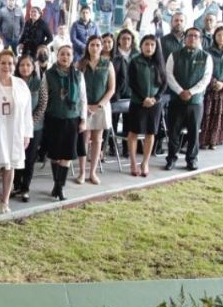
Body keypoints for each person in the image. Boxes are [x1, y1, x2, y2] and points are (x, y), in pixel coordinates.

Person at [0, 50, 33, 213]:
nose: (7, 66)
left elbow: (27, 112)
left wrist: (27, 133)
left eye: (10, 63)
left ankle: (5, 201)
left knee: (10, 166)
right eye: (3, 63)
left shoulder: (21, 85)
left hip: (15, 130)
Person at [165, 28, 213, 171]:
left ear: (200, 39)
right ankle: (171, 159)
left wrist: (191, 92)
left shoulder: (206, 57)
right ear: (185, 38)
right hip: (176, 100)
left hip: (195, 101)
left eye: (196, 36)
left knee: (193, 132)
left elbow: (206, 78)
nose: (193, 38)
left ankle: (191, 159)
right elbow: (169, 75)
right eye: (190, 36)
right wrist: (180, 91)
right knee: (173, 131)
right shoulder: (174, 55)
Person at [43, 46, 87, 201]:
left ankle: (59, 187)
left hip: (72, 119)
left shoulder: (78, 75)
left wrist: (83, 120)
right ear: (57, 55)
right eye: (62, 54)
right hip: (54, 118)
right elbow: (44, 98)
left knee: (67, 155)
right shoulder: (48, 74)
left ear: (72, 57)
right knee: (55, 155)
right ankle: (56, 184)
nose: (65, 57)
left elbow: (83, 99)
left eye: (68, 54)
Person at [125, 35, 167, 177]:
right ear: (141, 46)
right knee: (134, 132)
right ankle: (132, 162)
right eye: (146, 44)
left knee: (151, 133)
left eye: (152, 45)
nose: (149, 47)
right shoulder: (135, 61)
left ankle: (145, 162)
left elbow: (164, 83)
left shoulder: (159, 61)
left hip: (155, 104)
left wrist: (155, 98)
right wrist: (144, 99)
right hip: (138, 102)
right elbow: (132, 82)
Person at [77, 36, 116, 184]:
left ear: (102, 47)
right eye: (92, 45)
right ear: (87, 46)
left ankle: (92, 172)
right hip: (84, 107)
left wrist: (99, 105)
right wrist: (85, 106)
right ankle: (81, 172)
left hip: (101, 106)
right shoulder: (81, 64)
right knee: (84, 140)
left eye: (98, 45)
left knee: (97, 140)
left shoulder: (108, 64)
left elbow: (111, 89)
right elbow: (76, 87)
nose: (95, 47)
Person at [15, 55, 49, 202]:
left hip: (35, 127)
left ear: (33, 67)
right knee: (16, 157)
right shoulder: (13, 82)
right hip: (15, 127)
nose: (25, 68)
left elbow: (42, 104)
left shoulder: (39, 82)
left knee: (29, 159)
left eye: (28, 65)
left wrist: (29, 124)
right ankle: (15, 185)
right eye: (22, 65)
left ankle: (25, 188)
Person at [200, 27, 223, 149]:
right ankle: (204, 140)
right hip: (211, 87)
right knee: (208, 114)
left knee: (220, 115)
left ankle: (215, 141)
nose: (222, 38)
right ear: (215, 36)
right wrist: (214, 81)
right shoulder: (208, 51)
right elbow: (205, 68)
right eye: (219, 35)